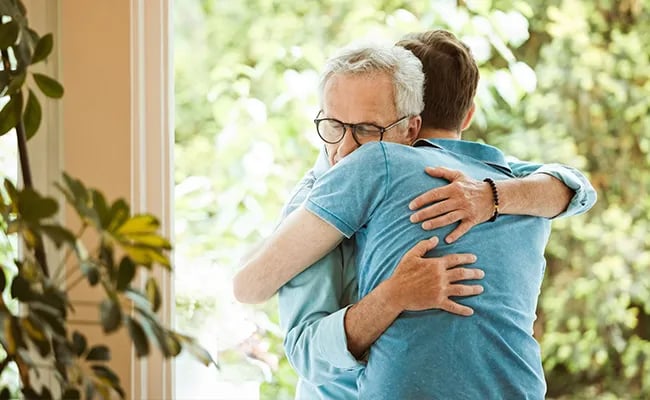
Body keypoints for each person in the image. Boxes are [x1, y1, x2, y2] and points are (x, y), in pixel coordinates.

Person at [235, 33, 596, 399]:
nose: (344, 151)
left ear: (411, 126)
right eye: (333, 125)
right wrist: (393, 297)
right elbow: (298, 346)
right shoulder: (329, 187)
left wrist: (491, 197)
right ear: (467, 115)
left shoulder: (496, 183)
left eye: (366, 130)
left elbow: (571, 186)